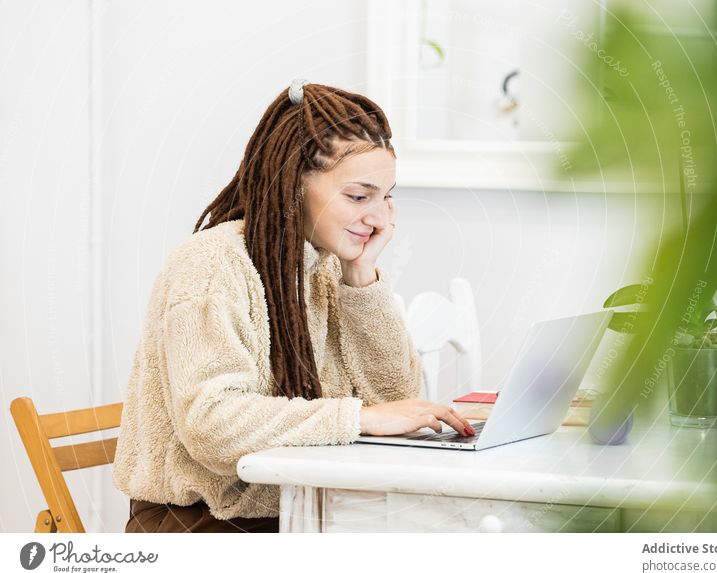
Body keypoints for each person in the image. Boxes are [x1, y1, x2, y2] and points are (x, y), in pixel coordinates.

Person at [113, 80, 475, 533]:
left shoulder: (325, 264)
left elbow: (394, 402)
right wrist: (356, 417)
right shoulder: (211, 265)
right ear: (293, 181)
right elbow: (211, 423)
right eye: (359, 197)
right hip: (204, 521)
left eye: (385, 197)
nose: (380, 217)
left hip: (301, 507)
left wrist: (360, 278)